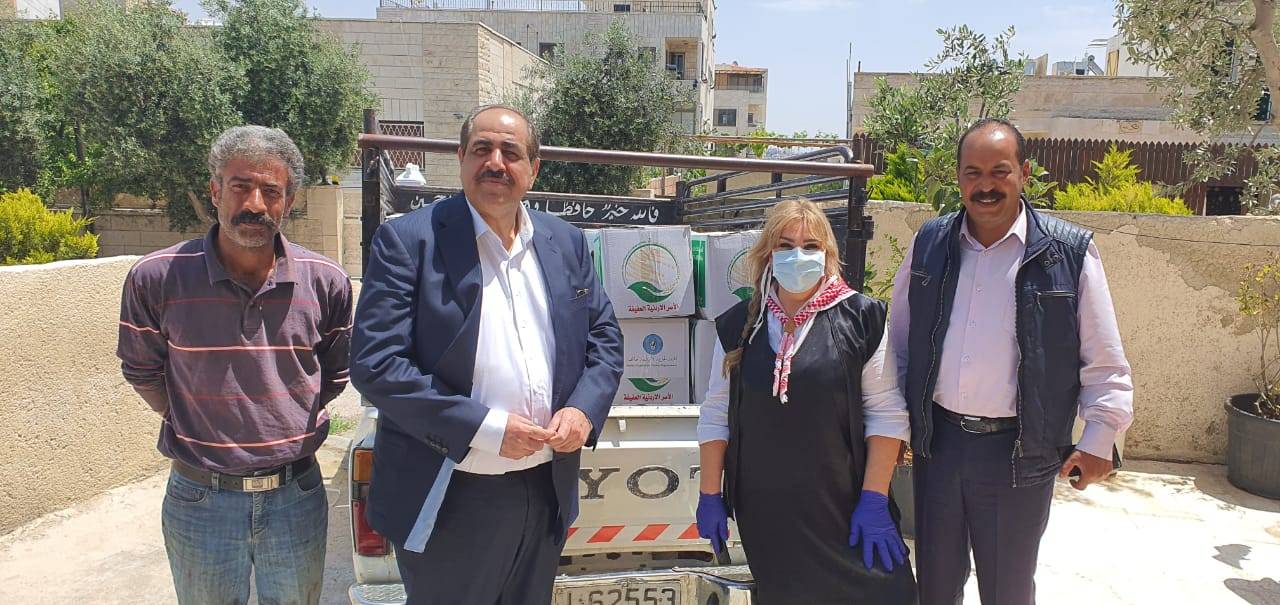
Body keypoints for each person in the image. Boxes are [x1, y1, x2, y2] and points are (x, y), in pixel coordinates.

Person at [350, 104, 624, 604]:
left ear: (533, 168)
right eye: (482, 149)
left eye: (510, 152)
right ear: (461, 158)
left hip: (545, 490)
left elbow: (603, 334)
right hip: (450, 495)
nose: (495, 162)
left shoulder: (565, 242)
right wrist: (486, 429)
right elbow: (377, 364)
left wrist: (583, 409)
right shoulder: (410, 241)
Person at [888, 118, 1134, 605]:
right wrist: (892, 427)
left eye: (999, 171)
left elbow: (1104, 360)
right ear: (958, 178)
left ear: (1023, 173)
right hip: (939, 447)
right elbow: (899, 343)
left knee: (1008, 591)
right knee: (934, 585)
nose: (986, 185)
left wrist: (1099, 439)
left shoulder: (1069, 253)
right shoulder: (929, 244)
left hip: (1019, 455)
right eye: (973, 172)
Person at [116, 125, 353, 604]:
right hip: (200, 499)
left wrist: (284, 415)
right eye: (240, 186)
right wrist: (189, 416)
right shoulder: (157, 278)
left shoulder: (326, 281)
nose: (255, 204)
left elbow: (334, 375)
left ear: (290, 200)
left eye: (271, 191)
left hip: (297, 498)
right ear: (215, 191)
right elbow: (141, 369)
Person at [695, 199, 918, 604]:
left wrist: (874, 500)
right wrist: (709, 494)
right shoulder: (738, 326)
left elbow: (886, 414)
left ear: (828, 254)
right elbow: (715, 414)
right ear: (768, 254)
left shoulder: (863, 319)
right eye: (785, 245)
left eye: (811, 246)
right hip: (768, 512)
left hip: (846, 508)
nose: (798, 255)